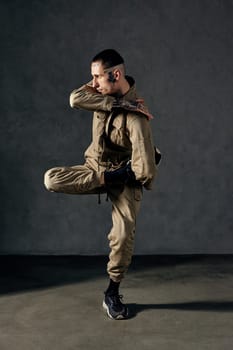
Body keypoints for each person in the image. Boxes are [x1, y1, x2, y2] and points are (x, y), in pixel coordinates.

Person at [44, 49, 159, 320]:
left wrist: (134, 168)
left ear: (115, 75)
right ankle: (112, 176)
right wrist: (119, 104)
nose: (93, 83)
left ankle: (112, 292)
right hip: (94, 170)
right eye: (92, 77)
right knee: (51, 179)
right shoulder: (102, 96)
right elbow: (75, 98)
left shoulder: (137, 118)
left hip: (125, 180)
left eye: (97, 77)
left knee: (122, 236)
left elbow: (146, 173)